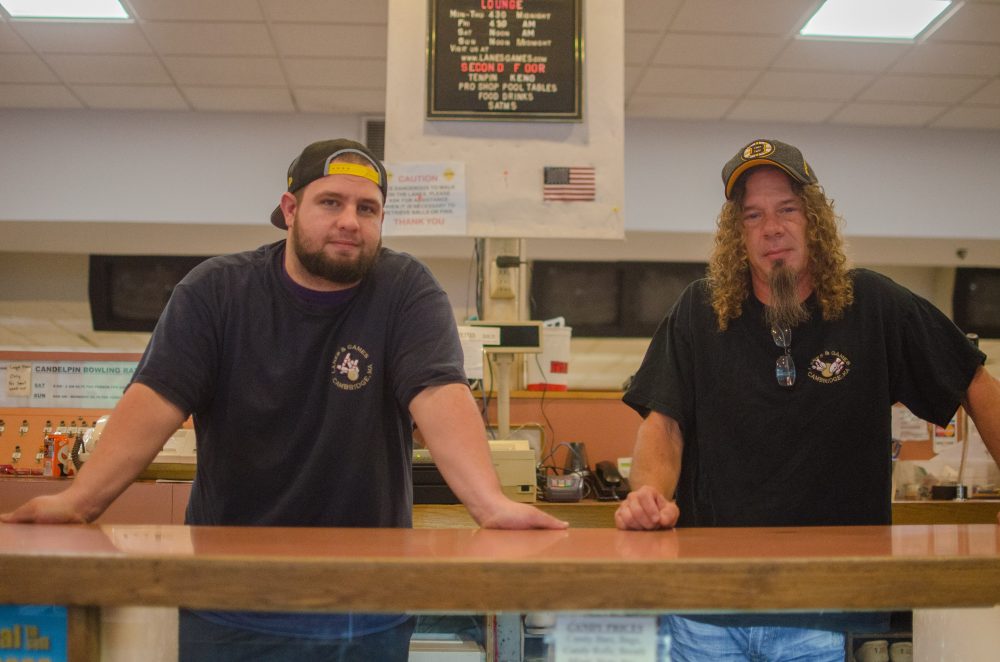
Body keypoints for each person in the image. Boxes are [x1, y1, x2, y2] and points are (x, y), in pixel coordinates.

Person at [1, 138, 567, 661]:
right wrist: (81, 502)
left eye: (367, 209)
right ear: (290, 210)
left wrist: (490, 506)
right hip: (225, 597)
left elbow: (439, 394)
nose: (350, 221)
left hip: (365, 604)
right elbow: (154, 400)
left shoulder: (406, 291)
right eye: (331, 203)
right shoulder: (214, 292)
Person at [614, 138, 1000, 661]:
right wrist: (650, 496)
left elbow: (972, 381)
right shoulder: (699, 311)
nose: (771, 227)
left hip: (827, 606)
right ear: (736, 234)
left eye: (786, 209)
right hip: (709, 604)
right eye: (752, 215)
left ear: (813, 218)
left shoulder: (874, 305)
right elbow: (665, 422)